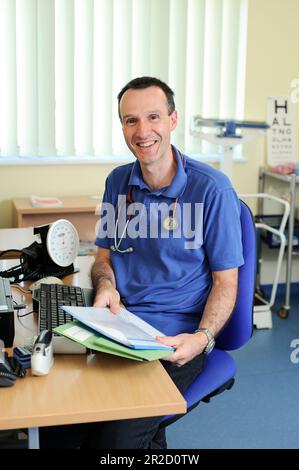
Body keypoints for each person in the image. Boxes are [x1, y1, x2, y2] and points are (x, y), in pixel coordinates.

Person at [40, 76, 243, 449]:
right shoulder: (118, 181)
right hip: (118, 329)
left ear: (173, 120)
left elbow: (226, 283)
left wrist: (202, 339)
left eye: (153, 117)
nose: (143, 130)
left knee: (115, 441)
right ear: (122, 126)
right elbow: (103, 258)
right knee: (57, 421)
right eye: (130, 120)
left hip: (175, 339)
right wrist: (106, 287)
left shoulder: (212, 189)